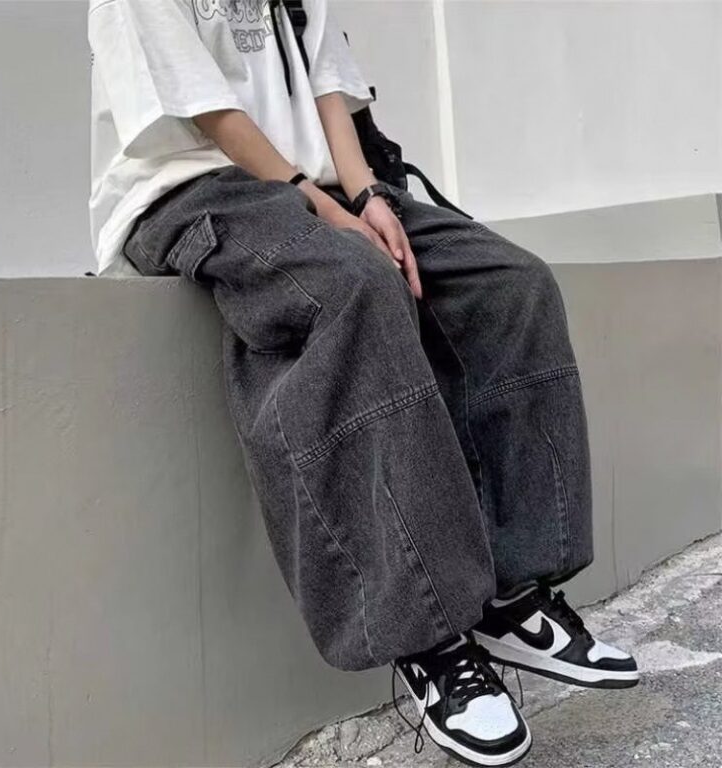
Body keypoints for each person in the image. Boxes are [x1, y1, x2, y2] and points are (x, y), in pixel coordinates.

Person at [88, 1, 639, 764]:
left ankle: (510, 596)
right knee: (358, 286)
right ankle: (429, 636)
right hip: (194, 192)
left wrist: (369, 197)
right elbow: (206, 108)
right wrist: (319, 204)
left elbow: (330, 90)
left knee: (512, 285)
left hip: (316, 191)